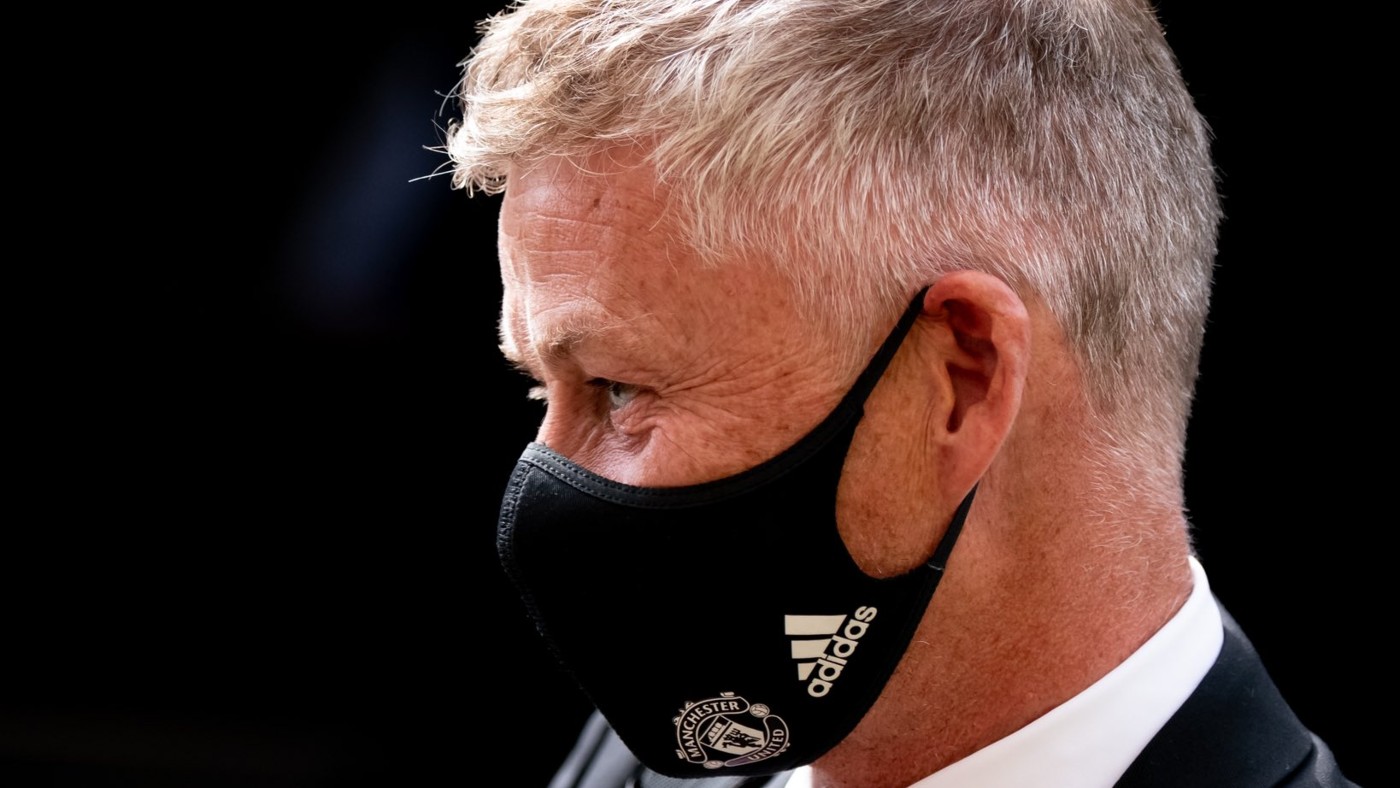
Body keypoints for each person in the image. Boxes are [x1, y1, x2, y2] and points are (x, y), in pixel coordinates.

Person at [447, 1, 1356, 786]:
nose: (544, 487)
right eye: (540, 392)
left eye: (619, 390)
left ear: (962, 377)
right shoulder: (656, 758)